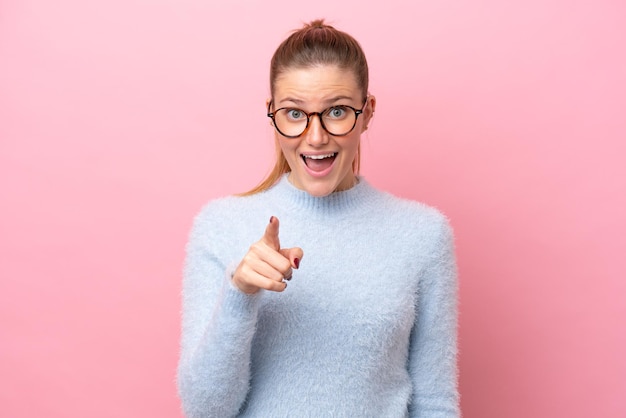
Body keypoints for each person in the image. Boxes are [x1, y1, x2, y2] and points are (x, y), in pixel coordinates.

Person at [177, 19, 459, 417]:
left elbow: (435, 403)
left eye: (337, 111)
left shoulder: (424, 234)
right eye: (294, 114)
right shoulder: (221, 225)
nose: (315, 138)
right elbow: (205, 410)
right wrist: (240, 293)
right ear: (272, 113)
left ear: (367, 112)